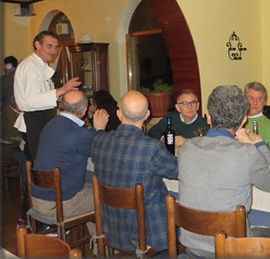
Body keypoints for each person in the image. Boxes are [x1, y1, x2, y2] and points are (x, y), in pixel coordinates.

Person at [178, 85, 270, 258]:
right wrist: (259, 143)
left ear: (208, 116)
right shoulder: (247, 153)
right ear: (243, 120)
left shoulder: (186, 149)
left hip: (192, 246)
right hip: (233, 249)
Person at [92, 90, 178, 253]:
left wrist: (98, 130)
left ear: (118, 114)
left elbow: (99, 137)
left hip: (111, 227)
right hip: (147, 232)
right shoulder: (152, 147)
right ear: (147, 115)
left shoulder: (99, 141)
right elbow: (179, 171)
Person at [31, 91, 108, 233]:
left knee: (94, 185)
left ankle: (98, 243)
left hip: (39, 197)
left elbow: (82, 139)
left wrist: (95, 131)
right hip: (57, 203)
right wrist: (100, 129)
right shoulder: (76, 134)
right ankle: (103, 248)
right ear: (85, 110)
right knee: (108, 197)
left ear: (61, 105)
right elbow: (101, 150)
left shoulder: (51, 124)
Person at [14, 31, 81, 161]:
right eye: (49, 46)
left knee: (46, 159)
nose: (53, 51)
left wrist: (60, 96)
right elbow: (32, 100)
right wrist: (62, 89)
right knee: (42, 162)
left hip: (42, 118)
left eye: (56, 47)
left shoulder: (40, 65)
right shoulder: (30, 66)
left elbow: (42, 95)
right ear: (37, 45)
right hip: (35, 120)